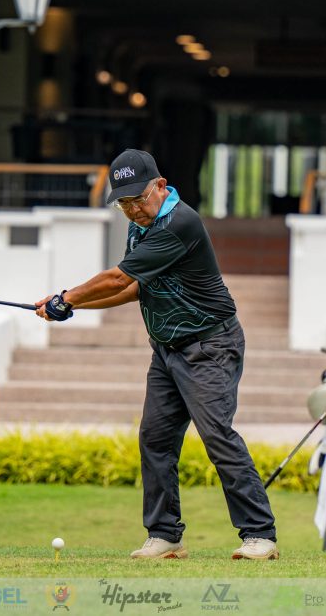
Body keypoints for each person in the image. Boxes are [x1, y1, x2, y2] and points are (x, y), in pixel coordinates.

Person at [34, 149, 279, 561]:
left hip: (210, 346)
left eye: (138, 199)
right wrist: (70, 305)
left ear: (160, 186)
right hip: (167, 348)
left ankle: (260, 535)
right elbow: (134, 288)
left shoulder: (180, 222)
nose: (132, 209)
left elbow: (118, 278)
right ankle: (165, 536)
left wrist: (67, 297)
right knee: (155, 438)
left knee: (217, 436)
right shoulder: (140, 227)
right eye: (124, 203)